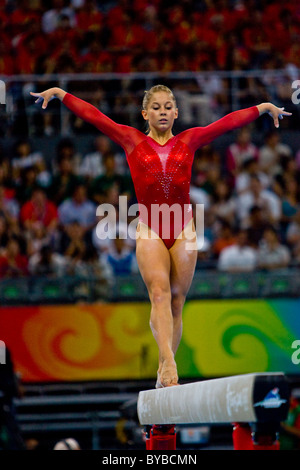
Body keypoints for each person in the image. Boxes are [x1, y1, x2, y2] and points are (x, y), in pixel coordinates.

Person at [30, 85, 291, 388]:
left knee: (177, 301)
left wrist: (262, 107)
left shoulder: (189, 140)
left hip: (183, 229)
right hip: (151, 228)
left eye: (168, 107)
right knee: (159, 293)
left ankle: (164, 364)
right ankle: (167, 361)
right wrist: (63, 95)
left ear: (177, 113)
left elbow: (225, 123)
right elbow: (97, 118)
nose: (163, 112)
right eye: (156, 107)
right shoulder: (132, 140)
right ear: (145, 113)